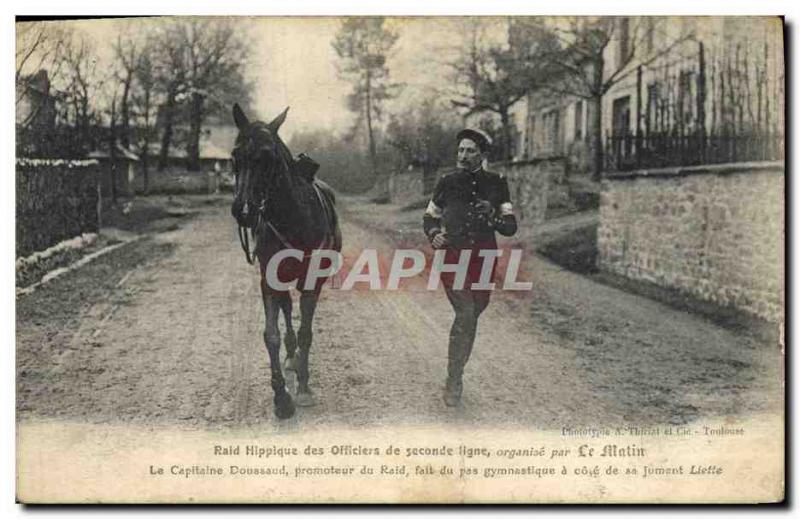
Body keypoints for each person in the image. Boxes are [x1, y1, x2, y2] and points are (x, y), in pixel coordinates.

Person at [422, 128, 518, 406]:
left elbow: (510, 227)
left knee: (473, 314)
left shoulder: (497, 183)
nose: (463, 156)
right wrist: (433, 234)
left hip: (484, 261)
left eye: (470, 151)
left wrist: (493, 218)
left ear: (482, 155)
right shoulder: (446, 182)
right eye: (461, 150)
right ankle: (454, 379)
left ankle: (456, 371)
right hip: (453, 259)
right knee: (465, 313)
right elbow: (430, 217)